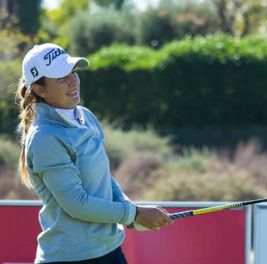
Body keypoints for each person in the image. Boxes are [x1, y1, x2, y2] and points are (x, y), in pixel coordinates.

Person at [16, 43, 173, 263]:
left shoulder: (85, 116)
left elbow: (103, 176)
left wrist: (131, 214)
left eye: (73, 72)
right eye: (61, 77)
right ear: (39, 90)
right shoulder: (45, 137)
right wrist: (135, 213)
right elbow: (77, 204)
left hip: (109, 251)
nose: (73, 81)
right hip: (68, 257)